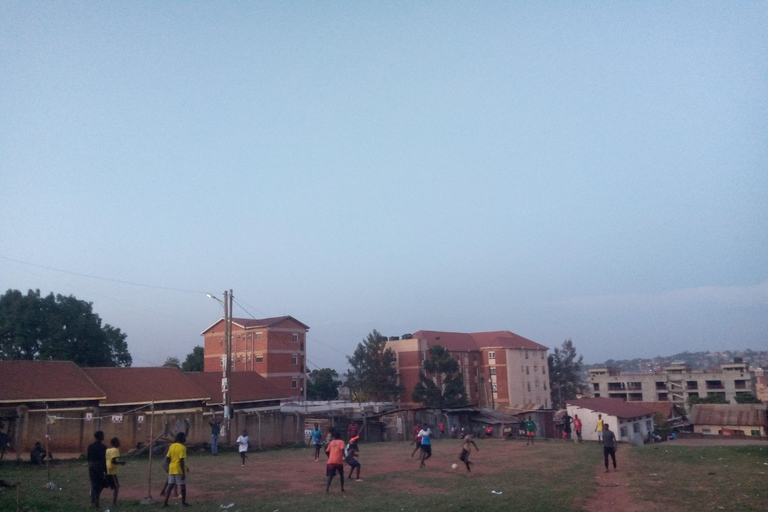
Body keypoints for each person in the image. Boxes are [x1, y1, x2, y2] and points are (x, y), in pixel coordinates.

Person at [163, 432, 189, 508]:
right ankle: (183, 503)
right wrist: (183, 472)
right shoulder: (182, 448)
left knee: (170, 485)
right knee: (182, 486)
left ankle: (165, 502)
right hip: (178, 469)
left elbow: (167, 458)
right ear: (183, 439)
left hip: (172, 468)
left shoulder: (172, 446)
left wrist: (171, 464)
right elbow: (181, 461)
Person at [87, 431, 107, 509]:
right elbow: (103, 459)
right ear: (101, 437)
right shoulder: (103, 447)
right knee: (99, 485)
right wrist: (105, 470)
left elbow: (88, 457)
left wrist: (90, 464)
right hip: (99, 466)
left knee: (93, 484)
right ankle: (96, 503)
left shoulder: (90, 446)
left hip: (91, 466)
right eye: (103, 435)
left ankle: (93, 502)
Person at [105, 437, 126, 506]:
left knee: (102, 485)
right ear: (116, 443)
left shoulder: (108, 450)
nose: (119, 443)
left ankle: (93, 497)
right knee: (116, 487)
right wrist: (121, 463)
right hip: (112, 471)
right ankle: (114, 503)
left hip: (107, 470)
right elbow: (113, 461)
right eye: (118, 442)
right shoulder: (115, 450)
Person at [324, 429, 345, 494]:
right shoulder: (341, 442)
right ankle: (342, 488)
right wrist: (344, 458)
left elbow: (326, 451)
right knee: (341, 475)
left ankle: (327, 489)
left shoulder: (331, 442)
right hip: (338, 461)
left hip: (331, 461)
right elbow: (342, 450)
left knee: (330, 476)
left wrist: (329, 457)